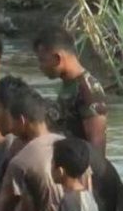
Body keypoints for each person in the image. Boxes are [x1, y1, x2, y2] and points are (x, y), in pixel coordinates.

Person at [33, 27, 108, 155]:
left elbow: (97, 147)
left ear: (57, 58)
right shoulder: (68, 85)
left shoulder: (88, 90)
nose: (40, 67)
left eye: (42, 60)